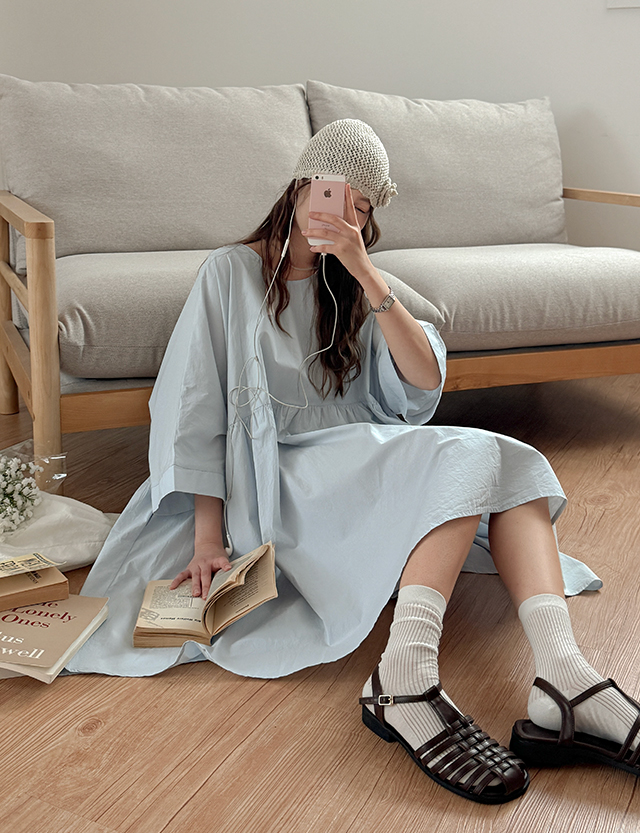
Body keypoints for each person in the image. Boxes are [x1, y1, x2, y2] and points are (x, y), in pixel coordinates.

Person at [67, 119, 640, 803]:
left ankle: (565, 676)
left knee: (508, 460)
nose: (344, 213)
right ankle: (407, 675)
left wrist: (365, 272)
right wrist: (207, 538)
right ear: (300, 186)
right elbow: (193, 412)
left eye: (362, 207)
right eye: (334, 193)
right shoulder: (229, 273)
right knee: (469, 456)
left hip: (351, 457)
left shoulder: (354, 283)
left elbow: (423, 384)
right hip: (277, 478)